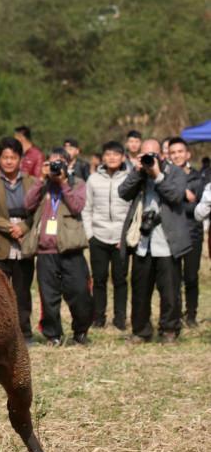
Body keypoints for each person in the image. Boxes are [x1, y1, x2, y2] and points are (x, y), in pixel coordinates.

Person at [119, 138, 191, 343]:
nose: (150, 157)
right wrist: (138, 172)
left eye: (154, 153)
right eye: (145, 154)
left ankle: (169, 330)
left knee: (169, 291)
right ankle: (141, 331)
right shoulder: (139, 173)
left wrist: (157, 175)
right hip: (143, 242)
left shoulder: (175, 172)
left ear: (162, 153)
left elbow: (176, 196)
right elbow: (122, 193)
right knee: (140, 290)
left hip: (167, 242)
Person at [24, 148, 91, 346]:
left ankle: (80, 332)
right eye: (51, 163)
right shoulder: (43, 185)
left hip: (71, 248)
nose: (55, 167)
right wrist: (40, 180)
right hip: (46, 251)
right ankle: (53, 335)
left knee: (79, 293)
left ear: (68, 165)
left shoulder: (77, 183)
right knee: (48, 296)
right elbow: (27, 205)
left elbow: (77, 206)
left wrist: (62, 183)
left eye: (59, 163)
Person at [0, 137, 36, 342]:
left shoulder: (32, 182)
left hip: (24, 243)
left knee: (22, 292)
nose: (9, 161)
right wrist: (9, 227)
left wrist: (22, 227)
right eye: (5, 157)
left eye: (13, 157)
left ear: (20, 159)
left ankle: (24, 333)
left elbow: (37, 210)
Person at [83, 141, 132, 330]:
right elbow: (87, 209)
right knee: (99, 279)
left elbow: (132, 211)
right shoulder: (93, 179)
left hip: (121, 238)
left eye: (116, 154)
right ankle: (98, 317)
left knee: (120, 279)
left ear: (123, 157)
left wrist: (126, 237)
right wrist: (90, 235)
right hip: (99, 236)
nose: (112, 158)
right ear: (102, 157)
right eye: (108, 154)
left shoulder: (130, 178)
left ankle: (120, 319)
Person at [167, 137, 206, 328]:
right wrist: (182, 196)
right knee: (173, 279)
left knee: (191, 277)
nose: (177, 156)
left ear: (188, 154)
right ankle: (175, 314)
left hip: (193, 234)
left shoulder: (198, 178)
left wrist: (178, 202)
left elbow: (200, 208)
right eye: (173, 153)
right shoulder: (164, 177)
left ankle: (191, 315)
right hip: (171, 234)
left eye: (180, 152)